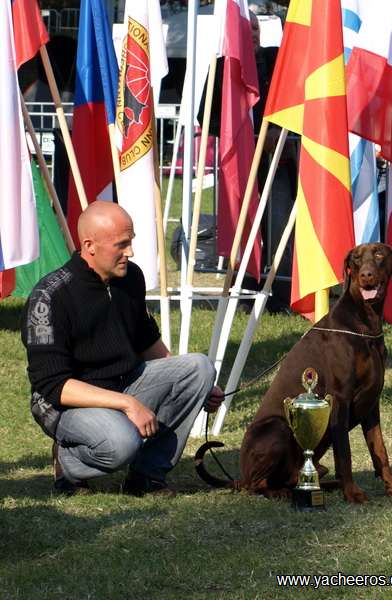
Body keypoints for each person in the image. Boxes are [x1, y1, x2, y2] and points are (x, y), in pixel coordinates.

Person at [21, 201, 224, 497]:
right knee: (122, 444)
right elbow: (53, 385)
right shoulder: (49, 297)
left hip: (123, 385)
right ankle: (68, 460)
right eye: (121, 245)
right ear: (89, 246)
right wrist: (128, 404)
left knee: (199, 367)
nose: (130, 252)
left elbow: (146, 341)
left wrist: (200, 386)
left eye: (131, 242)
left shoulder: (131, 277)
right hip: (66, 403)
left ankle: (147, 475)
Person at [197, 11, 298, 312]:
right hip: (239, 166)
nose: (252, 32)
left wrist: (279, 131)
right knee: (241, 227)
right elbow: (207, 116)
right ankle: (243, 292)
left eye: (255, 27)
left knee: (279, 228)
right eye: (246, 27)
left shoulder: (277, 60)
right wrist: (242, 135)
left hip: (276, 164)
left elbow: (297, 103)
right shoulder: (222, 67)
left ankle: (279, 295)